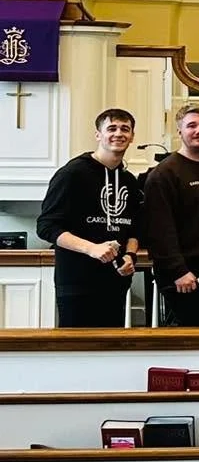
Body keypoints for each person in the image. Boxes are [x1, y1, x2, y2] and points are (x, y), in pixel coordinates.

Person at [37, 108, 141, 327]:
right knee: (77, 353)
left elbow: (133, 229)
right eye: (111, 128)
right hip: (77, 282)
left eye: (125, 129)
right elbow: (46, 226)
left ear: (132, 136)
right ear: (98, 135)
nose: (118, 133)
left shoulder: (129, 181)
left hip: (116, 282)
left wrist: (131, 256)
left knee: (110, 352)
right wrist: (91, 248)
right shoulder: (72, 174)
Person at [145, 103, 199, 326]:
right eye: (191, 125)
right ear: (180, 131)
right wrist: (178, 270)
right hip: (181, 272)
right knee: (183, 339)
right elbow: (159, 228)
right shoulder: (164, 173)